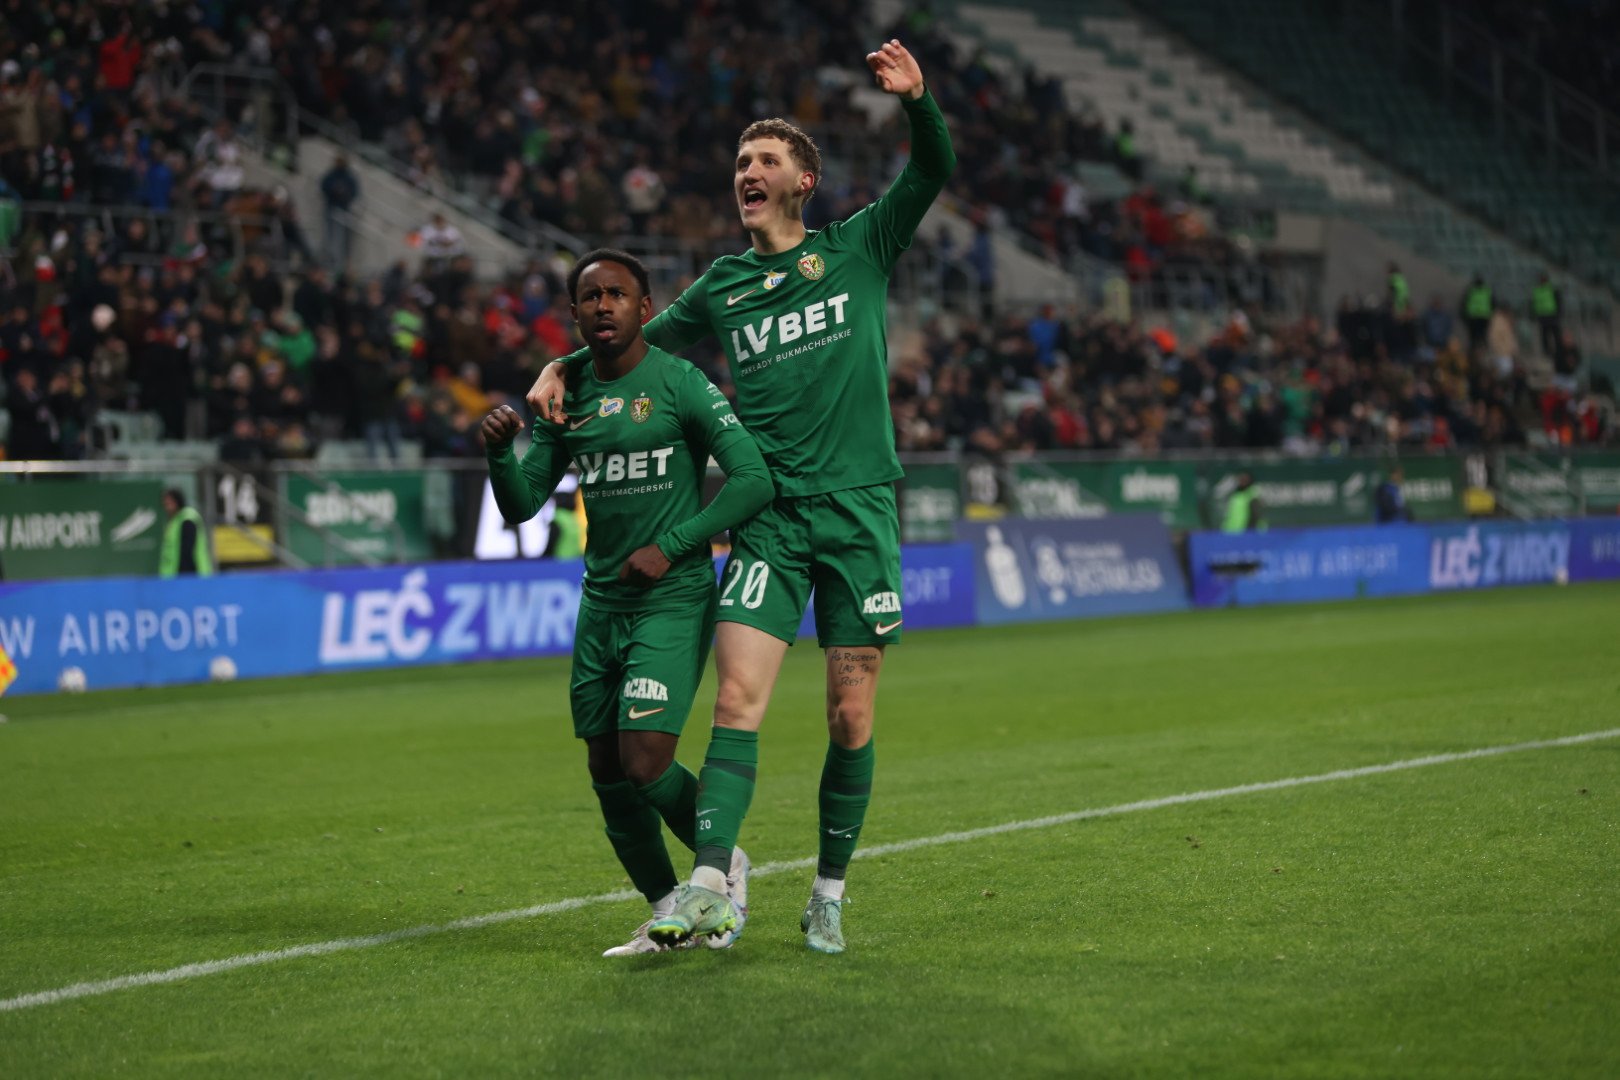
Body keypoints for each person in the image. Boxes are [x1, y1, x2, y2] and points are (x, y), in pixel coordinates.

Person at [526, 40, 955, 955]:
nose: (747, 173)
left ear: (805, 180)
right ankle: (712, 883)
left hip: (859, 513)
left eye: (765, 160)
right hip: (769, 521)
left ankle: (828, 892)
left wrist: (917, 101)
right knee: (735, 702)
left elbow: (933, 170)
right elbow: (632, 344)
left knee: (849, 716)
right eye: (740, 163)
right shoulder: (722, 286)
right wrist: (559, 365)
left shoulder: (860, 246)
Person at [485, 249, 774, 957]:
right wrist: (498, 455)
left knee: (645, 759)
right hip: (601, 604)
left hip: (672, 596)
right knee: (606, 771)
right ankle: (666, 912)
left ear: (645, 308)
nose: (604, 305)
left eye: (617, 294)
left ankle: (722, 863)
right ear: (574, 314)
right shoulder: (567, 393)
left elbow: (752, 480)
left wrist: (672, 544)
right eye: (591, 297)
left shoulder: (679, 381)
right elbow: (522, 504)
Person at [159, 489, 213, 577]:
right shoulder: (174, 521)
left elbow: (188, 551)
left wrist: (184, 574)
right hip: (174, 573)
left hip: (191, 573)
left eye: (169, 503)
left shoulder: (187, 519)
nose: (167, 507)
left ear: (177, 502)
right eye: (165, 504)